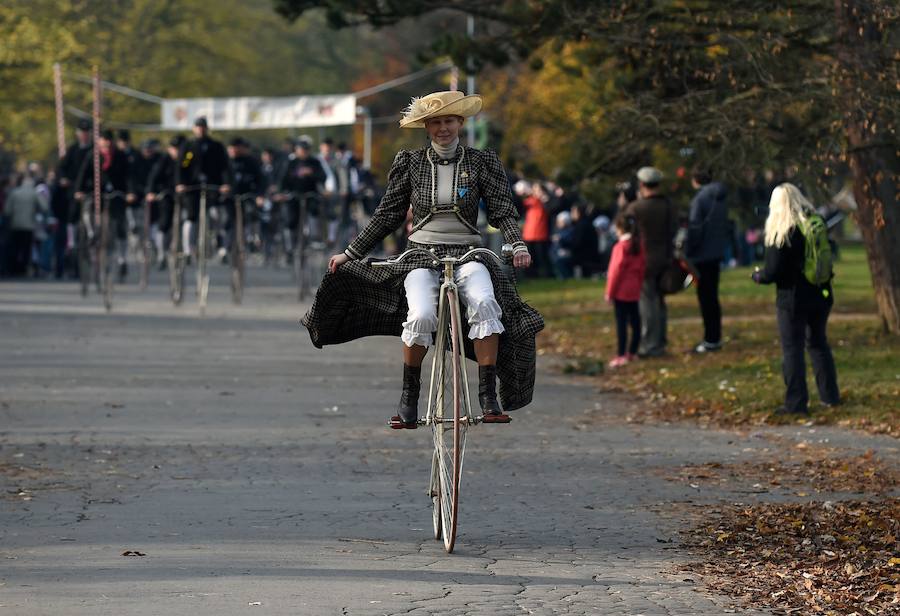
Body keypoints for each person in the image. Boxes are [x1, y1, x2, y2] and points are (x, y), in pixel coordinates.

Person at [303, 90, 543, 428]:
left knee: (487, 302)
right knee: (420, 315)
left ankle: (488, 395)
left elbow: (503, 210)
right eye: (435, 122)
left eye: (449, 121)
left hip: (468, 253)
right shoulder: (410, 162)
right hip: (421, 255)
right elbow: (388, 215)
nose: (443, 128)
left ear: (460, 123)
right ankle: (409, 398)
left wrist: (517, 245)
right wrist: (351, 253)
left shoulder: (481, 162)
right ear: (426, 127)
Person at [751, 183, 840, 416]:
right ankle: (830, 396)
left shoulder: (782, 232)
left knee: (793, 350)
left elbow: (773, 272)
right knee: (819, 344)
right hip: (821, 293)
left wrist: (758, 276)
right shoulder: (814, 223)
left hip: (792, 299)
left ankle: (796, 403)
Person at [621, 166, 678, 357]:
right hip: (665, 257)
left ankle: (650, 345)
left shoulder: (636, 208)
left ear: (642, 184)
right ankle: (660, 341)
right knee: (660, 302)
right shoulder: (668, 205)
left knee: (647, 303)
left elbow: (625, 231)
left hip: (644, 261)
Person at [74, 129, 131, 282]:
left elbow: (128, 175)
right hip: (96, 191)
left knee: (119, 222)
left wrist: (130, 192)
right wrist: (79, 190)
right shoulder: (93, 155)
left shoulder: (120, 155)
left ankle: (121, 258)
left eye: (108, 140)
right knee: (88, 209)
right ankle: (92, 233)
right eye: (102, 140)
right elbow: (83, 173)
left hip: (116, 192)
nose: (105, 143)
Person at [686, 165, 729, 353]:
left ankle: (710, 338)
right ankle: (715, 335)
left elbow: (695, 228)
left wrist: (689, 249)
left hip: (702, 254)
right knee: (713, 297)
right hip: (716, 252)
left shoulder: (700, 199)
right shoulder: (720, 198)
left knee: (705, 298)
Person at [175, 116, 231, 260]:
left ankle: (219, 241)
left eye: (203, 127)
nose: (200, 129)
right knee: (191, 217)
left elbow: (223, 167)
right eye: (198, 127)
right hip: (192, 187)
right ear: (194, 129)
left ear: (207, 128)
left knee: (216, 214)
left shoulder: (216, 146)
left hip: (213, 185)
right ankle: (188, 250)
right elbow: (184, 165)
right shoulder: (189, 147)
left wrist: (225, 184)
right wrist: (181, 183)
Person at [605, 214, 645, 367]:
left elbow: (615, 272)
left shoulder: (620, 247)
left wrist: (610, 292)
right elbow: (642, 267)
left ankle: (621, 354)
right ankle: (632, 352)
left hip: (621, 291)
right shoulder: (639, 246)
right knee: (635, 322)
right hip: (634, 289)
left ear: (621, 229)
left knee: (621, 324)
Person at [6, 172, 48, 276]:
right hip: (29, 225)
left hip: (15, 225)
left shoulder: (14, 192)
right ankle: (23, 269)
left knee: (15, 247)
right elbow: (45, 207)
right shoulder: (34, 193)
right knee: (26, 249)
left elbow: (7, 210)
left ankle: (13, 268)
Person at [521, 182, 551, 277]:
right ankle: (531, 276)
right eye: (534, 189)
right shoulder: (530, 201)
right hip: (529, 234)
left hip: (541, 234)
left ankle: (545, 275)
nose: (535, 191)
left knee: (542, 258)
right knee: (530, 258)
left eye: (538, 189)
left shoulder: (546, 201)